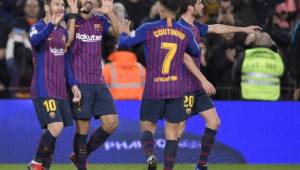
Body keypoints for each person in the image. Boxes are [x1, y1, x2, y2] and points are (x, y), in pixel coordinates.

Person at [177, 0, 261, 169]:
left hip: (196, 87)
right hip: (182, 87)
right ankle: (159, 160)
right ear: (190, 7)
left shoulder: (196, 26)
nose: (203, 7)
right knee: (178, 130)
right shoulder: (179, 29)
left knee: (214, 121)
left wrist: (243, 29)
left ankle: (201, 165)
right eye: (200, 3)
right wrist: (204, 80)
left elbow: (216, 27)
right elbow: (185, 58)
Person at [118, 0, 201, 169]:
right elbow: (196, 51)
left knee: (147, 128)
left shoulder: (149, 28)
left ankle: (150, 157)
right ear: (178, 10)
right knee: (172, 133)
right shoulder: (185, 31)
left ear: (161, 10)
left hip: (154, 88)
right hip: (176, 88)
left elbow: (124, 44)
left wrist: (123, 32)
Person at [26, 0, 80, 170]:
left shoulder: (63, 31)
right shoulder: (38, 27)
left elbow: (65, 63)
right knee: (56, 127)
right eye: (56, 4)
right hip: (43, 88)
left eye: (62, 5)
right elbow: (35, 41)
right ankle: (36, 164)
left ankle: (43, 167)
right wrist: (50, 25)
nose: (60, 8)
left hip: (60, 89)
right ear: (47, 7)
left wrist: (73, 85)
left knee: (52, 132)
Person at [67, 0, 119, 170]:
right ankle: (82, 166)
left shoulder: (99, 20)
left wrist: (110, 12)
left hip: (98, 81)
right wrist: (74, 14)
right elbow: (67, 41)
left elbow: (117, 32)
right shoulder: (70, 18)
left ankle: (79, 156)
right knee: (83, 127)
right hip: (79, 81)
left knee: (111, 123)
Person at [233, 32, 284, 101]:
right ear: (270, 44)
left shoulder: (245, 55)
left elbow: (235, 75)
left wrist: (240, 89)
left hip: (248, 98)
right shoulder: (277, 57)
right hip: (272, 99)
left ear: (255, 43)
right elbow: (284, 78)